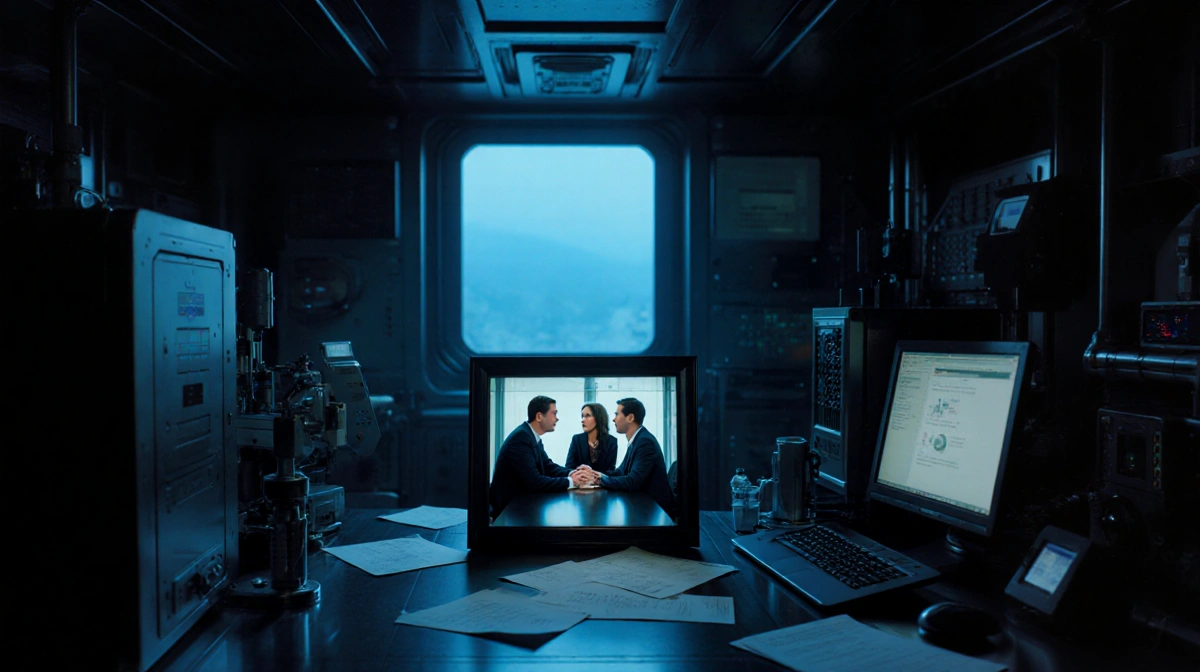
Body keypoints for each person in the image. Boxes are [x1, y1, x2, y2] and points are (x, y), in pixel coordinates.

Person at [488, 395, 591, 518]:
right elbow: (535, 482)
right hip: (510, 512)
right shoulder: (520, 438)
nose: (557, 418)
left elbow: (548, 466)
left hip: (522, 506)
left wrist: (573, 473)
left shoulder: (530, 436)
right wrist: (571, 482)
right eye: (554, 413)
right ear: (539, 417)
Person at [577, 398, 677, 519]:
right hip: (644, 507)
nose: (614, 419)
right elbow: (620, 471)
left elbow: (633, 482)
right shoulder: (637, 440)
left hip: (654, 512)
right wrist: (595, 474)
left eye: (617, 414)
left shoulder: (645, 442)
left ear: (630, 418)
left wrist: (600, 480)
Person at [564, 403, 618, 473]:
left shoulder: (611, 441)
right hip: (580, 479)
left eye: (588, 416)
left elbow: (610, 470)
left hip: (601, 479)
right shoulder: (577, 439)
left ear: (598, 418)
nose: (583, 420)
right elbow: (569, 467)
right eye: (582, 416)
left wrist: (594, 476)